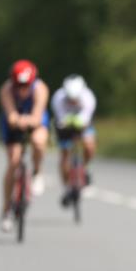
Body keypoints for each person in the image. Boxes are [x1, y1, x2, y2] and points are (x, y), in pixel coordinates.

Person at [0, 60, 50, 232]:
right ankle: (6, 210)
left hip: (33, 119)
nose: (22, 89)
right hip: (13, 123)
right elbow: (11, 115)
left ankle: (37, 171)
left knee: (38, 141)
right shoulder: (6, 90)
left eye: (26, 85)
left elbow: (37, 116)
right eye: (18, 85)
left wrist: (27, 121)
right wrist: (16, 120)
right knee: (13, 161)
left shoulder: (40, 89)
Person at [50, 74, 97, 207]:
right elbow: (61, 118)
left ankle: (83, 168)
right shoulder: (58, 98)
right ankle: (67, 187)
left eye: (75, 99)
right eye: (70, 99)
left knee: (89, 145)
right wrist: (67, 122)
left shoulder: (89, 98)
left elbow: (86, 118)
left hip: (83, 124)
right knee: (64, 153)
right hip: (64, 125)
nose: (73, 101)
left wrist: (79, 122)